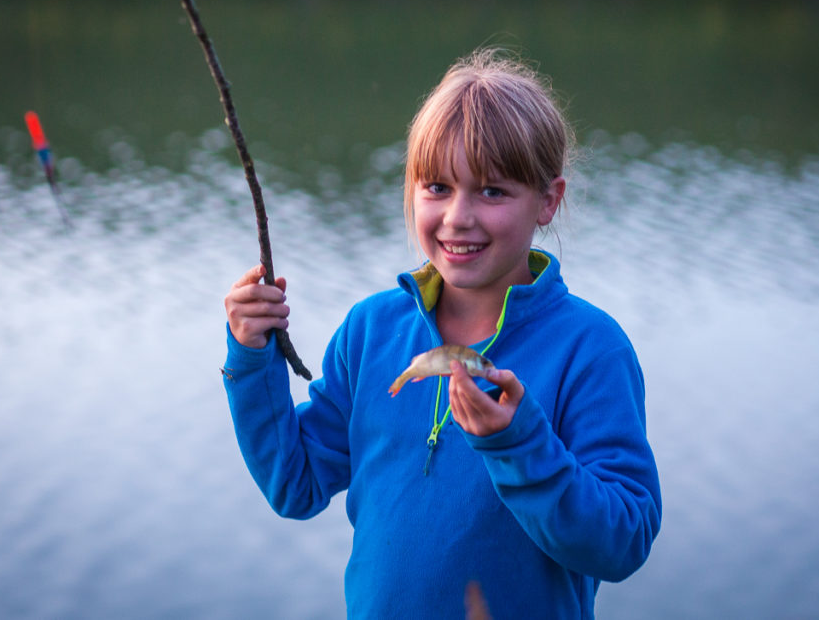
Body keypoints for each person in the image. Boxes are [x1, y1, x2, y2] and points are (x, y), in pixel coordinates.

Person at [222, 48, 661, 619]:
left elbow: (623, 542)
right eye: (436, 187)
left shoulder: (591, 350)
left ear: (548, 201)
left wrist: (519, 444)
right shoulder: (371, 330)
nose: (458, 217)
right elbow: (295, 485)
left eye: (492, 191)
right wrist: (252, 356)